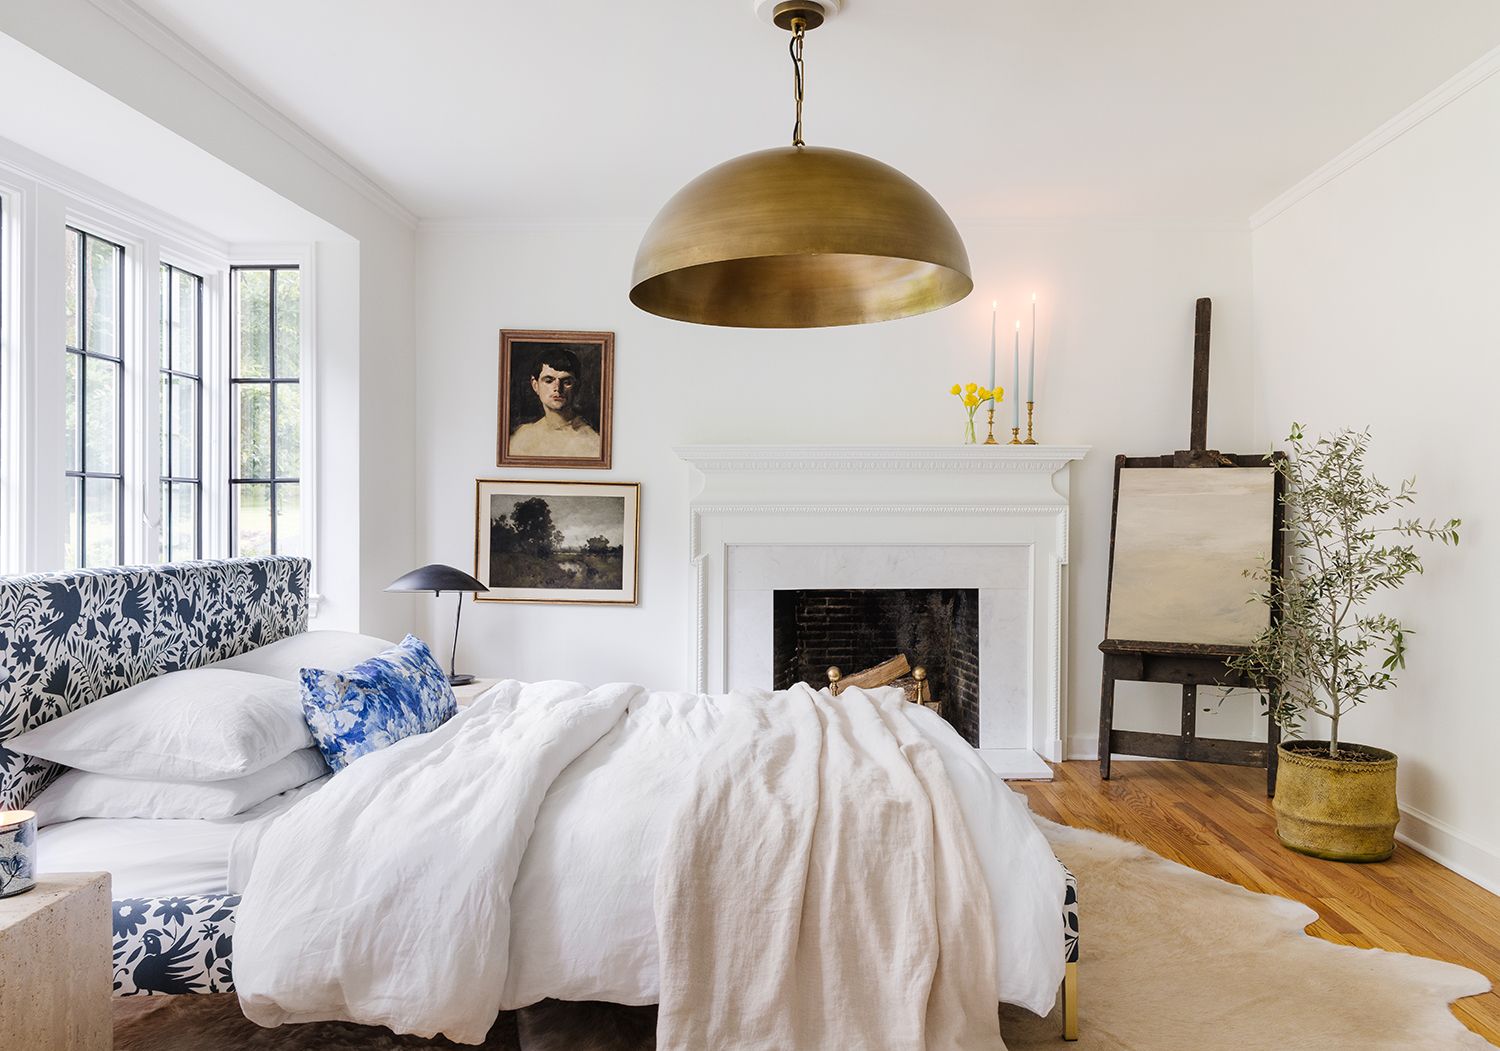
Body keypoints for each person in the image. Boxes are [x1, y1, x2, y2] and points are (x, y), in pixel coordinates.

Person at [508, 348, 601, 459]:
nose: (557, 388)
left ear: (577, 386)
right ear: (535, 385)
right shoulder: (522, 435)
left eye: (567, 382)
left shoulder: (592, 441)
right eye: (549, 381)